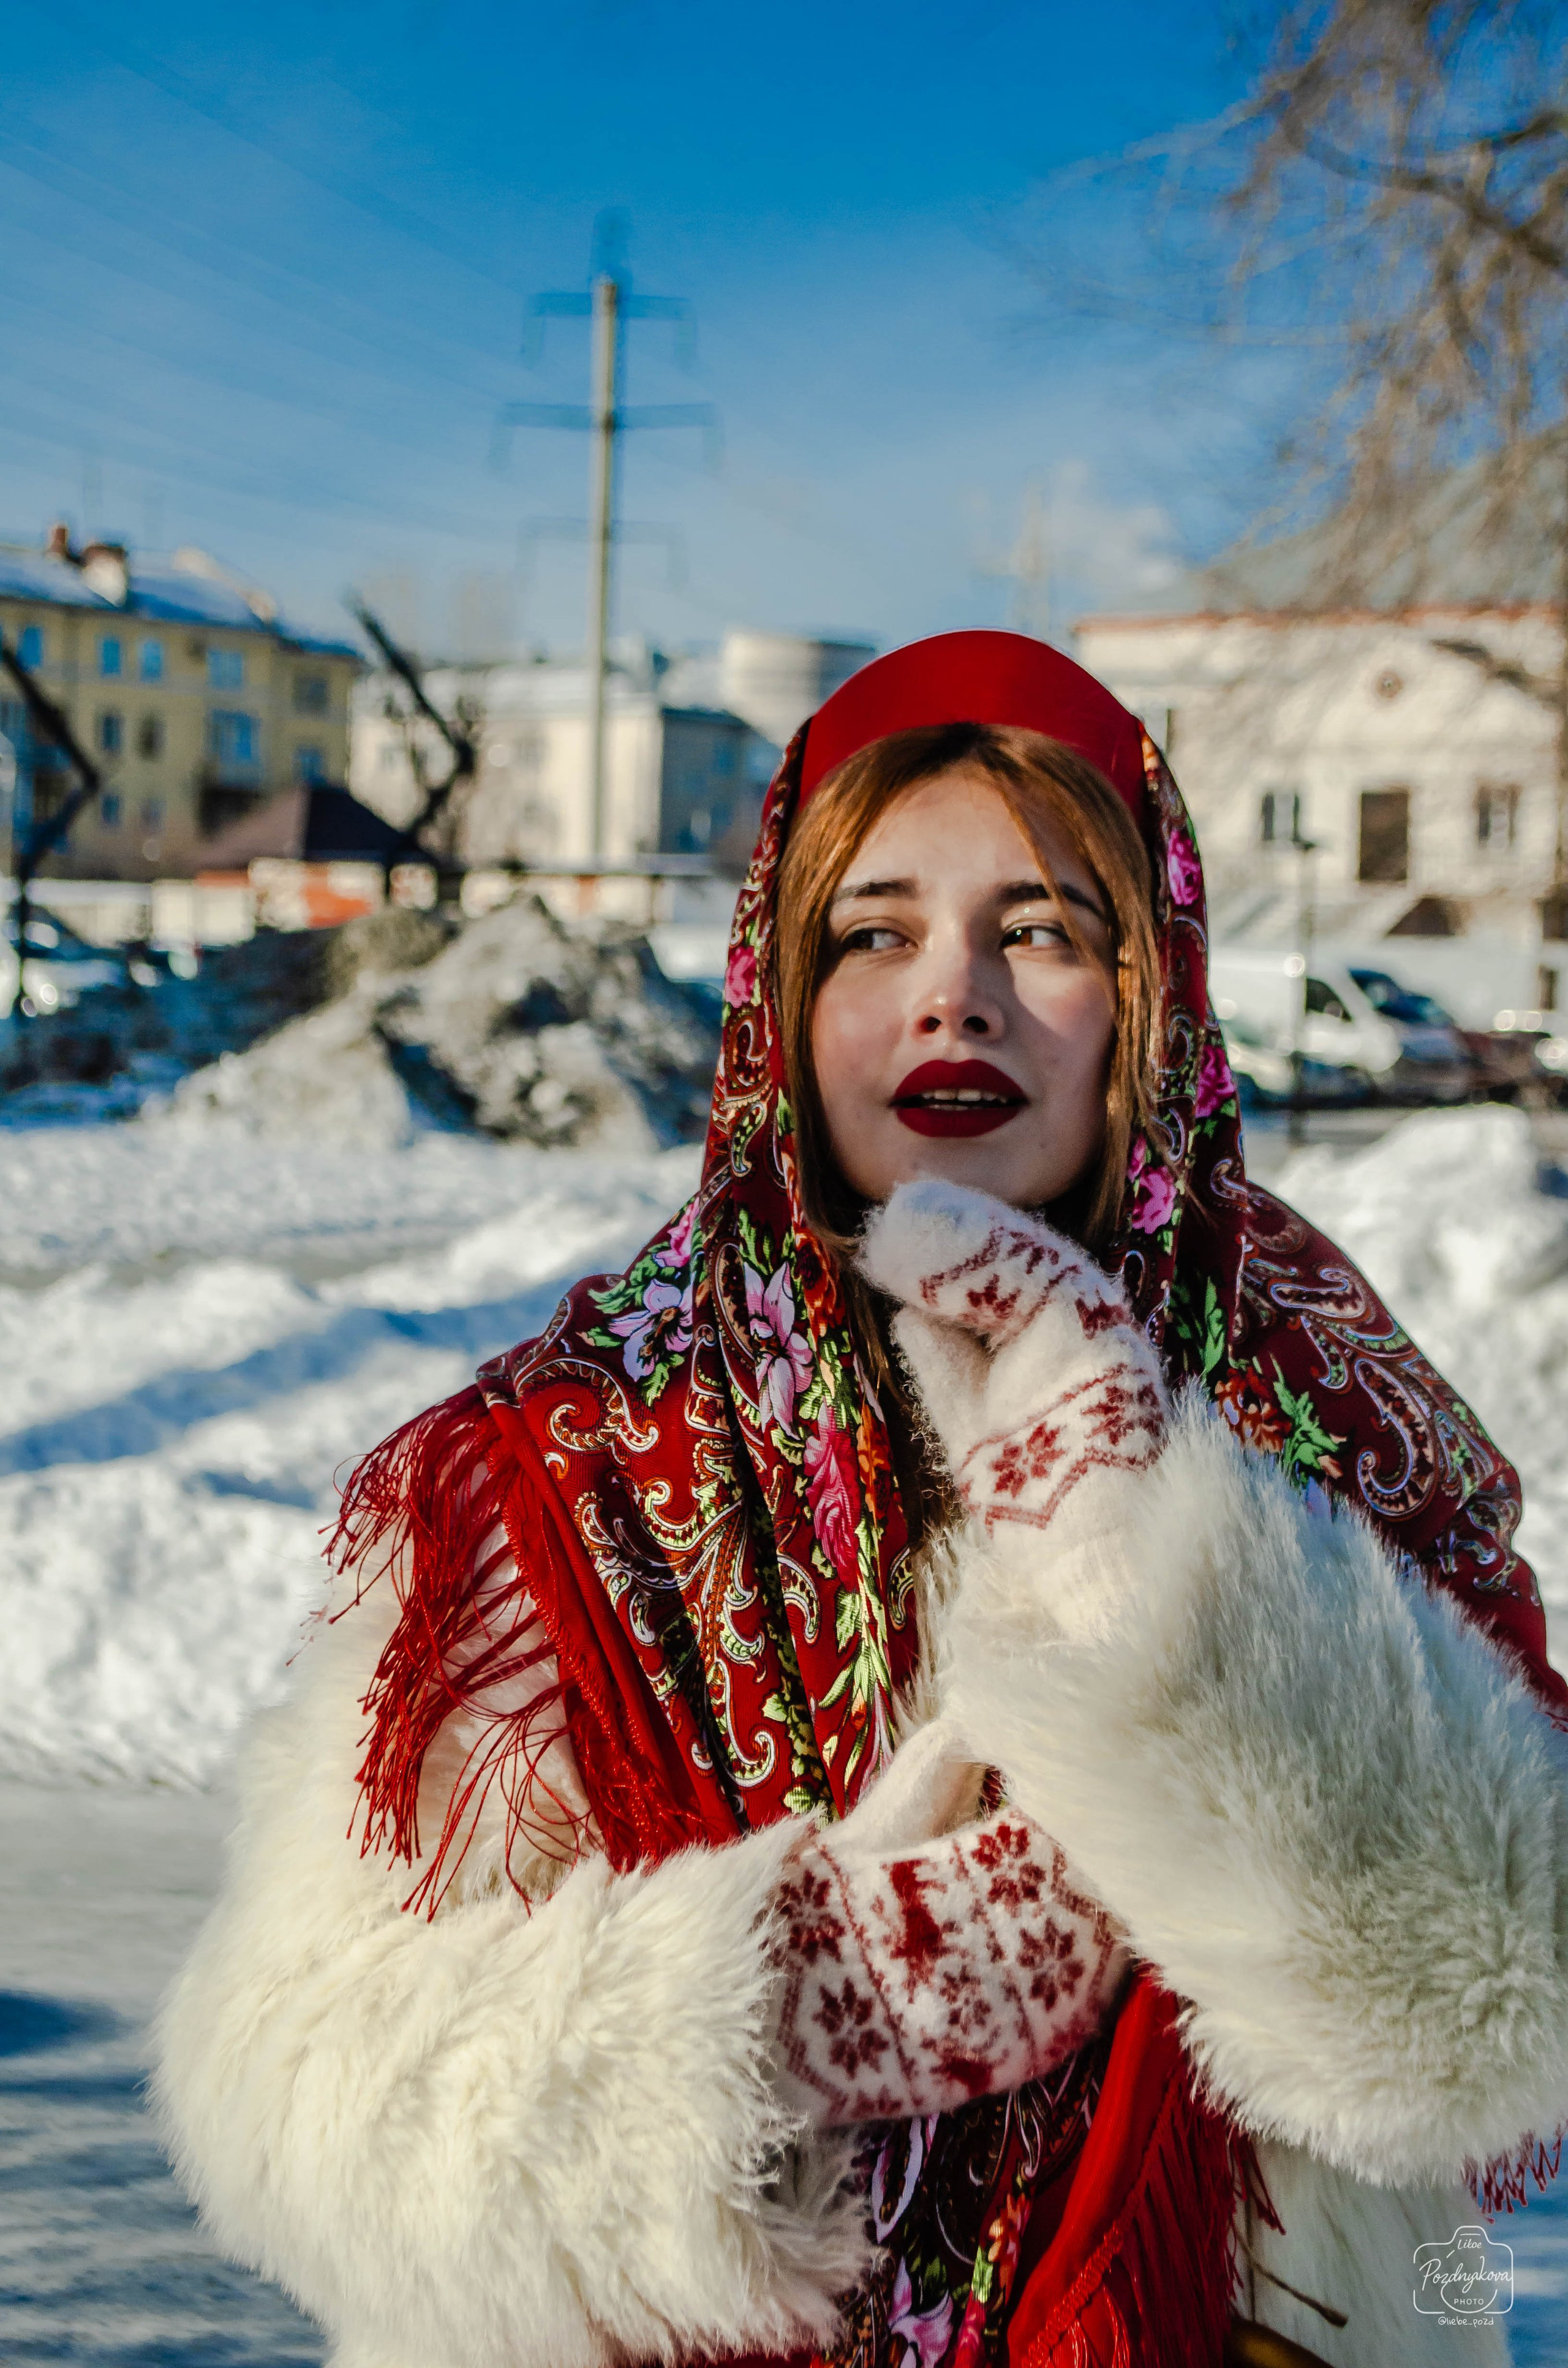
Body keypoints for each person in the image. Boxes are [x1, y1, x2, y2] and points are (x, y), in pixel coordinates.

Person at [156, 632, 1568, 2368]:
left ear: (1154, 987)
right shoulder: (564, 1462)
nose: (952, 996)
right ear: (782, 997)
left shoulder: (1324, 1415)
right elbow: (290, 2086)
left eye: (1041, 930)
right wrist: (781, 2003)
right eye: (874, 934)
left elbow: (1502, 2024)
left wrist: (1169, 1560)